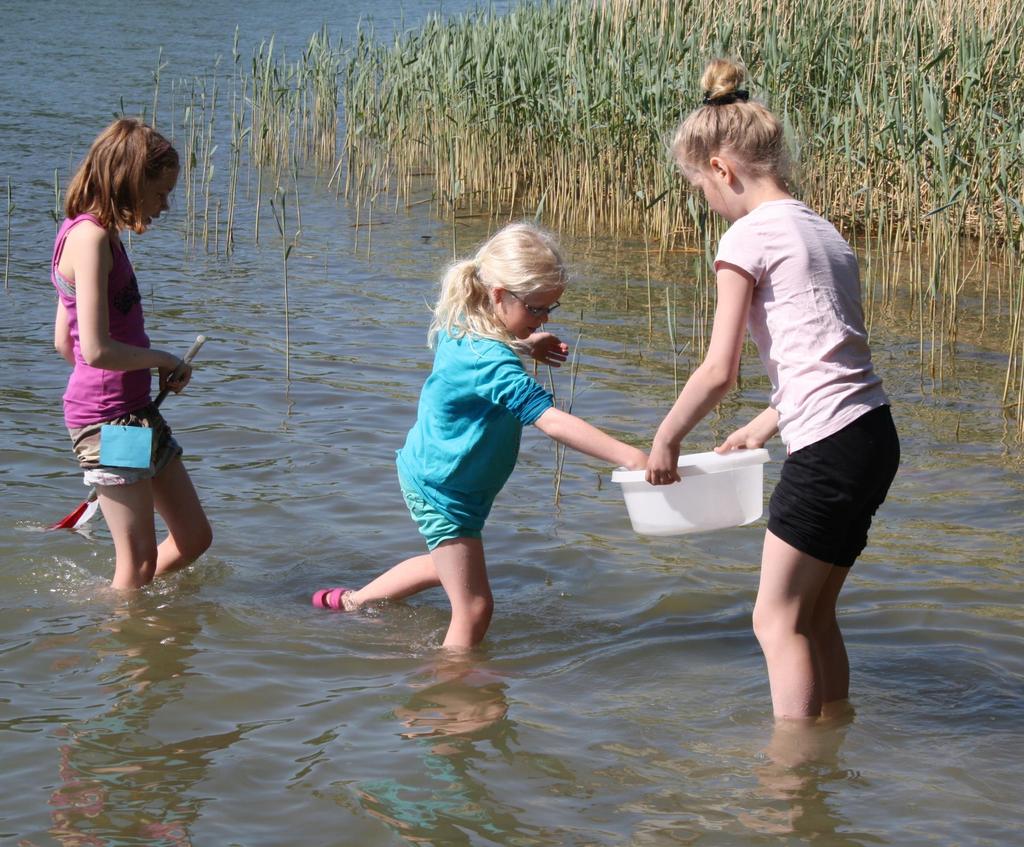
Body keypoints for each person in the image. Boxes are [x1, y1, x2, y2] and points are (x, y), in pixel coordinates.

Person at [646, 60, 900, 720]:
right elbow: (828, 355)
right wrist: (766, 424)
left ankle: (791, 781)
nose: (707, 200)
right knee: (816, 614)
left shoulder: (746, 236)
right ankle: (832, 741)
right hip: (872, 434)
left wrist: (666, 438)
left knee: (774, 619)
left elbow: (717, 370)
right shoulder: (823, 230)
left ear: (723, 170)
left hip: (828, 447)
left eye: (702, 186)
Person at [314, 222, 647, 648]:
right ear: (498, 295)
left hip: (446, 479)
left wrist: (525, 342)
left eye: (551, 309)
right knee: (474, 608)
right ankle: (452, 697)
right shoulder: (491, 360)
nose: (544, 318)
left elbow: (484, 349)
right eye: (536, 308)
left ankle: (352, 604)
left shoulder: (466, 318)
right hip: (443, 489)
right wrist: (633, 457)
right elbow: (551, 420)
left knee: (445, 568)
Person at [52, 118, 212, 590]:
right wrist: (161, 360)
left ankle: (128, 612)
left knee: (194, 537)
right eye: (160, 193)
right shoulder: (91, 239)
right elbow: (95, 350)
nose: (164, 206)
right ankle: (127, 646)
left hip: (132, 412)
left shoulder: (92, 233)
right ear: (131, 180)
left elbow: (67, 343)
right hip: (110, 421)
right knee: (138, 562)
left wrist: (132, 378)